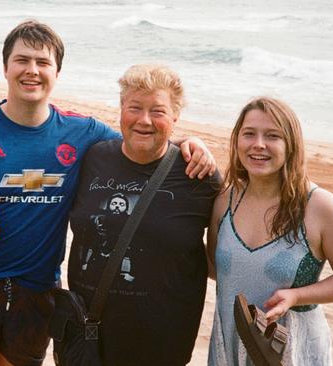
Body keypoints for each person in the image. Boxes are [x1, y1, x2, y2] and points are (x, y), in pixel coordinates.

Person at [0, 20, 216, 366]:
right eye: (22, 60)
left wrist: (188, 143)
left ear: (57, 73)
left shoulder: (82, 132)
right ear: (5, 67)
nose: (32, 71)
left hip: (37, 291)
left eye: (43, 63)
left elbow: (138, 137)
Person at [67, 64, 220, 365]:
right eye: (134, 107)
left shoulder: (199, 176)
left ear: (175, 117)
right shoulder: (93, 157)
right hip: (86, 335)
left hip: (161, 343)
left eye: (158, 112)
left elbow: (224, 259)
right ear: (121, 108)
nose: (144, 120)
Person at [207, 97, 333, 366]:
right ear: (237, 140)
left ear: (291, 145)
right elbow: (215, 268)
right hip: (228, 345)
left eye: (273, 136)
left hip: (289, 350)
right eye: (249, 134)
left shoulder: (319, 206)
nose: (258, 144)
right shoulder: (225, 201)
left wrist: (296, 296)